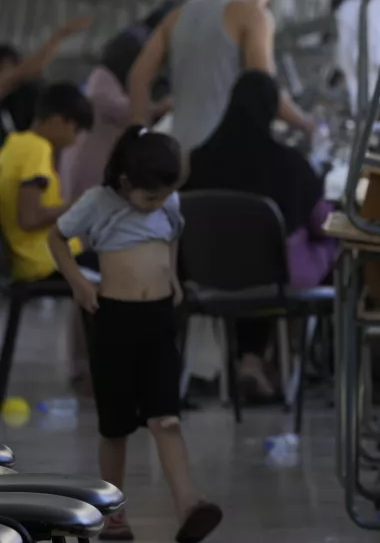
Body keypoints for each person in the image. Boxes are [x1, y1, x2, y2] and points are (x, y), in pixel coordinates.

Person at [48, 126, 223, 542]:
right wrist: (78, 282)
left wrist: (174, 276)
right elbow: (56, 238)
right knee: (115, 428)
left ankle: (188, 506)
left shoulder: (167, 198)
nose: (158, 205)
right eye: (150, 199)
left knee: (167, 419)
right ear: (126, 183)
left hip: (160, 320)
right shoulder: (98, 202)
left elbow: (174, 232)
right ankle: (113, 514)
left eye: (164, 197)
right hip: (115, 323)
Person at [185, 71, 337, 400]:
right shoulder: (289, 164)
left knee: (245, 258)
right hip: (275, 279)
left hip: (210, 278)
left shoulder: (198, 161)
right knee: (328, 245)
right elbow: (323, 222)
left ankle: (251, 361)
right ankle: (288, 363)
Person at [128, 0, 314, 162]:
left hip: (178, 152)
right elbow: (264, 92)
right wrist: (306, 123)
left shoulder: (177, 15)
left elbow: (138, 77)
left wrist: (142, 136)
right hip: (225, 156)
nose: (265, 6)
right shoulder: (253, 14)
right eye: (266, 1)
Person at [61, 7, 175, 200]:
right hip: (88, 160)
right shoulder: (102, 80)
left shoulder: (122, 84)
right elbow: (124, 111)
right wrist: (161, 107)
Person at [0, 83, 93, 282]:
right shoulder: (38, 148)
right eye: (75, 131)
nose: (74, 141)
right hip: (47, 261)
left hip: (37, 259)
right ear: (58, 120)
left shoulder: (14, 143)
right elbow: (29, 218)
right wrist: (74, 207)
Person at [0, 16, 93, 139]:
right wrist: (62, 33)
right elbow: (27, 69)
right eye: (5, 70)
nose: (10, 75)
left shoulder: (25, 95)